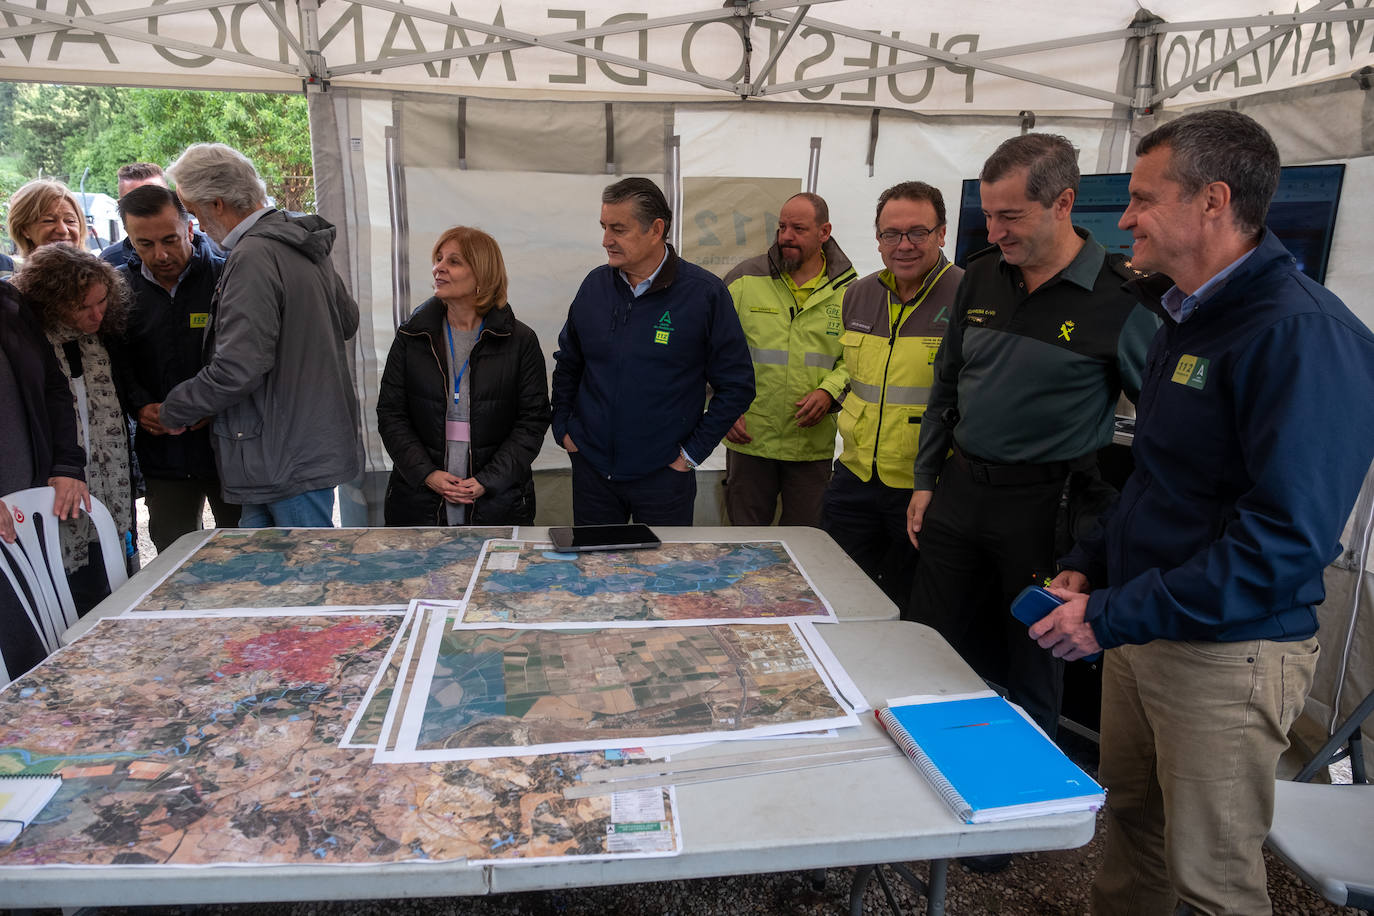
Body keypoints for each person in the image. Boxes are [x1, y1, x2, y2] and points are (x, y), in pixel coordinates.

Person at [1033, 111, 1374, 916]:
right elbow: (1159, 481)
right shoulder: (1187, 315)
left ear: (1213, 201)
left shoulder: (1303, 336)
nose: (1122, 220)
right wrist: (1095, 558)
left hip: (1227, 655)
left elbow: (1282, 547)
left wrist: (1112, 612)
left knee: (1212, 880)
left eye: (1144, 199)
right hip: (1145, 630)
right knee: (1136, 832)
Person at [906, 135, 1157, 737]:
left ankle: (1026, 811)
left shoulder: (1123, 299)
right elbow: (948, 384)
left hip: (1046, 509)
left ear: (1063, 203)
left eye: (1010, 216)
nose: (994, 231)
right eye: (989, 215)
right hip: (960, 490)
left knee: (1033, 657)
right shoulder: (982, 276)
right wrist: (925, 480)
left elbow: (1163, 427)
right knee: (924, 641)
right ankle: (918, 762)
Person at [151, 142, 361, 529]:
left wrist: (172, 410)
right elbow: (347, 321)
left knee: (301, 577)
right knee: (280, 576)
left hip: (280, 451)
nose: (194, 221)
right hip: (298, 444)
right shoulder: (296, 238)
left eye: (193, 209)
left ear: (217, 203)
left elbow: (238, 367)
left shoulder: (254, 255)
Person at [551, 177, 753, 526]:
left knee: (663, 578)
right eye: (603, 227)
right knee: (594, 574)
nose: (606, 240)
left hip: (665, 478)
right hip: (593, 473)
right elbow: (568, 363)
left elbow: (737, 385)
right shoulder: (594, 286)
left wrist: (690, 456)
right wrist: (564, 430)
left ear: (656, 229)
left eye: (618, 229)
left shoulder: (704, 295)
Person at [820, 182, 962, 609]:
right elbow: (853, 376)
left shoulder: (969, 298)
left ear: (941, 234)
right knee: (837, 594)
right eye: (891, 234)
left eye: (918, 232)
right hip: (855, 477)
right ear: (878, 239)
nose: (904, 245)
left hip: (924, 489)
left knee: (910, 604)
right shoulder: (858, 295)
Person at [377, 226, 550, 526]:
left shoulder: (520, 340)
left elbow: (532, 422)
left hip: (498, 503)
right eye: (438, 258)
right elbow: (391, 414)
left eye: (453, 262)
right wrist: (427, 475)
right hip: (419, 500)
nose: (438, 268)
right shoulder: (411, 335)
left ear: (482, 275)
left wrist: (488, 480)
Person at [108, 184, 238, 550]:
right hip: (161, 451)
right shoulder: (119, 287)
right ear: (129, 240)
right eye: (144, 244)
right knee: (173, 550)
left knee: (245, 551)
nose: (160, 254)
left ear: (190, 228)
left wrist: (213, 405)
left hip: (227, 446)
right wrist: (139, 406)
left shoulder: (226, 277)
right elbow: (117, 359)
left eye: (170, 239)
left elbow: (245, 358)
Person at [11, 244, 135, 613]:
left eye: (102, 301)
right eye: (84, 307)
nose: (97, 313)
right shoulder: (31, 345)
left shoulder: (104, 338)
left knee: (111, 564)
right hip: (57, 477)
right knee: (70, 581)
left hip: (109, 480)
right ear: (52, 303)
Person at [721, 192, 856, 527]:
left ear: (824, 232)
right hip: (750, 440)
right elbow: (710, 350)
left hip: (809, 448)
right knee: (745, 544)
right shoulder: (743, 280)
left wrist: (829, 392)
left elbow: (860, 358)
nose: (786, 237)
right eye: (782, 227)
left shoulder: (851, 291)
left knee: (807, 545)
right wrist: (722, 409)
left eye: (798, 228)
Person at [0, 277, 90, 681]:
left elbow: (54, 386)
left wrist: (68, 465)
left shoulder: (8, 301)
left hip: (27, 493)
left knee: (38, 643)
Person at [100, 162, 177, 268]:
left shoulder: (206, 249)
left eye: (157, 199)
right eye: (135, 203)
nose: (147, 209)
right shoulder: (110, 262)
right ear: (120, 207)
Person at [7, 179, 84, 256]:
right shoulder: (10, 267)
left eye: (70, 221)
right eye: (49, 221)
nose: (63, 230)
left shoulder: (93, 267)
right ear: (24, 229)